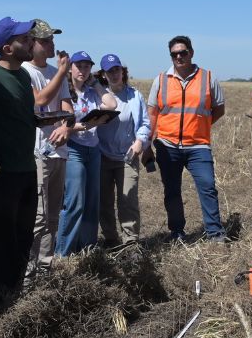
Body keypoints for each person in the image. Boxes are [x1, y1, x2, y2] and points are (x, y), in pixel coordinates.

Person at [0, 17, 38, 313]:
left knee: (23, 237)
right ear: (7, 48)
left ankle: (14, 298)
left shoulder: (24, 76)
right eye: (24, 39)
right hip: (2, 173)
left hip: (27, 168)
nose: (31, 42)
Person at [147, 36, 227, 242]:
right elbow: (152, 114)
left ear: (191, 52)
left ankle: (215, 232)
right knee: (172, 190)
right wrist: (147, 143)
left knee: (208, 186)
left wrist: (200, 125)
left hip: (198, 145)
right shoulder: (161, 80)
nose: (179, 57)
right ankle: (177, 232)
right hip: (167, 145)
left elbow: (219, 109)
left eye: (183, 52)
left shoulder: (208, 78)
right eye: (174, 54)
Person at [22, 19, 72, 282]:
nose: (52, 45)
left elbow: (68, 109)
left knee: (53, 216)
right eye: (46, 41)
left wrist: (65, 127)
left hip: (58, 152)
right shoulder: (25, 71)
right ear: (32, 44)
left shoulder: (55, 72)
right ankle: (28, 271)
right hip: (36, 151)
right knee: (38, 216)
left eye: (52, 39)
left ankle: (44, 269)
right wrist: (62, 72)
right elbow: (39, 100)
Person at [56, 51, 118, 255]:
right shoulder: (64, 91)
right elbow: (63, 124)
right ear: (70, 68)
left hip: (93, 149)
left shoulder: (91, 92)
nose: (82, 70)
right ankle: (64, 252)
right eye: (79, 66)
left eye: (87, 66)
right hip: (73, 149)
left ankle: (87, 248)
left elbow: (112, 105)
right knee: (75, 201)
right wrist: (89, 124)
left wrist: (96, 83)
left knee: (92, 201)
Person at [96, 53, 149, 245]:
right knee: (104, 201)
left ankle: (131, 241)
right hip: (102, 156)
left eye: (117, 69)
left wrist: (140, 141)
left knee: (128, 200)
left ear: (122, 71)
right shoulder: (97, 95)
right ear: (103, 74)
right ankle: (110, 239)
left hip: (127, 156)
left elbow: (144, 123)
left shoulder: (134, 96)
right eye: (109, 71)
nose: (114, 74)